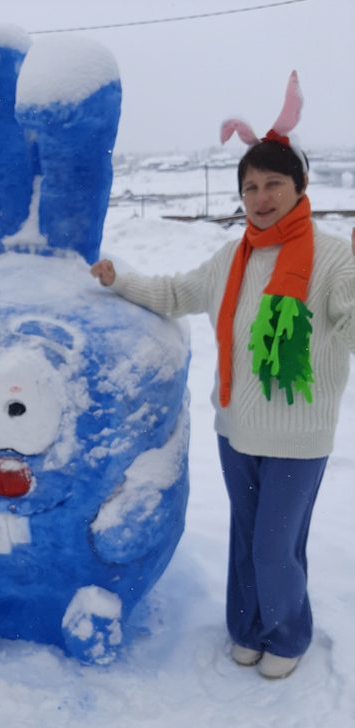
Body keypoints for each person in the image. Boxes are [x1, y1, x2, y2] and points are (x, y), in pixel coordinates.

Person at [90, 72, 355, 679]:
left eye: (274, 184)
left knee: (274, 547)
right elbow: (179, 292)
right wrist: (119, 282)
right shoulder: (234, 256)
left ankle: (287, 635)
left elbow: (351, 331)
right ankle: (247, 627)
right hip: (236, 429)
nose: (261, 197)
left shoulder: (334, 255)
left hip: (297, 438)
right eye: (251, 186)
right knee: (245, 538)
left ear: (300, 185)